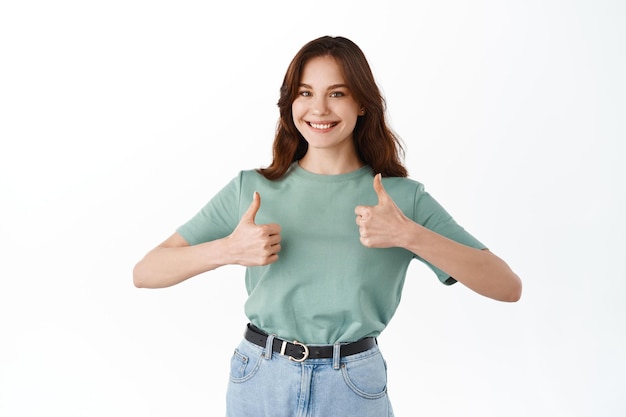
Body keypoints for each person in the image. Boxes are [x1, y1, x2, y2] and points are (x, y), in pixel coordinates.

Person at [133, 35, 522, 417]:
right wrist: (225, 251)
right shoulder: (250, 189)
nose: (318, 109)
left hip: (352, 386)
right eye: (305, 93)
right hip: (259, 379)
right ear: (290, 104)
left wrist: (409, 235)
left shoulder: (400, 199)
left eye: (336, 93)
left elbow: (506, 286)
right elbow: (146, 271)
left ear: (362, 103)